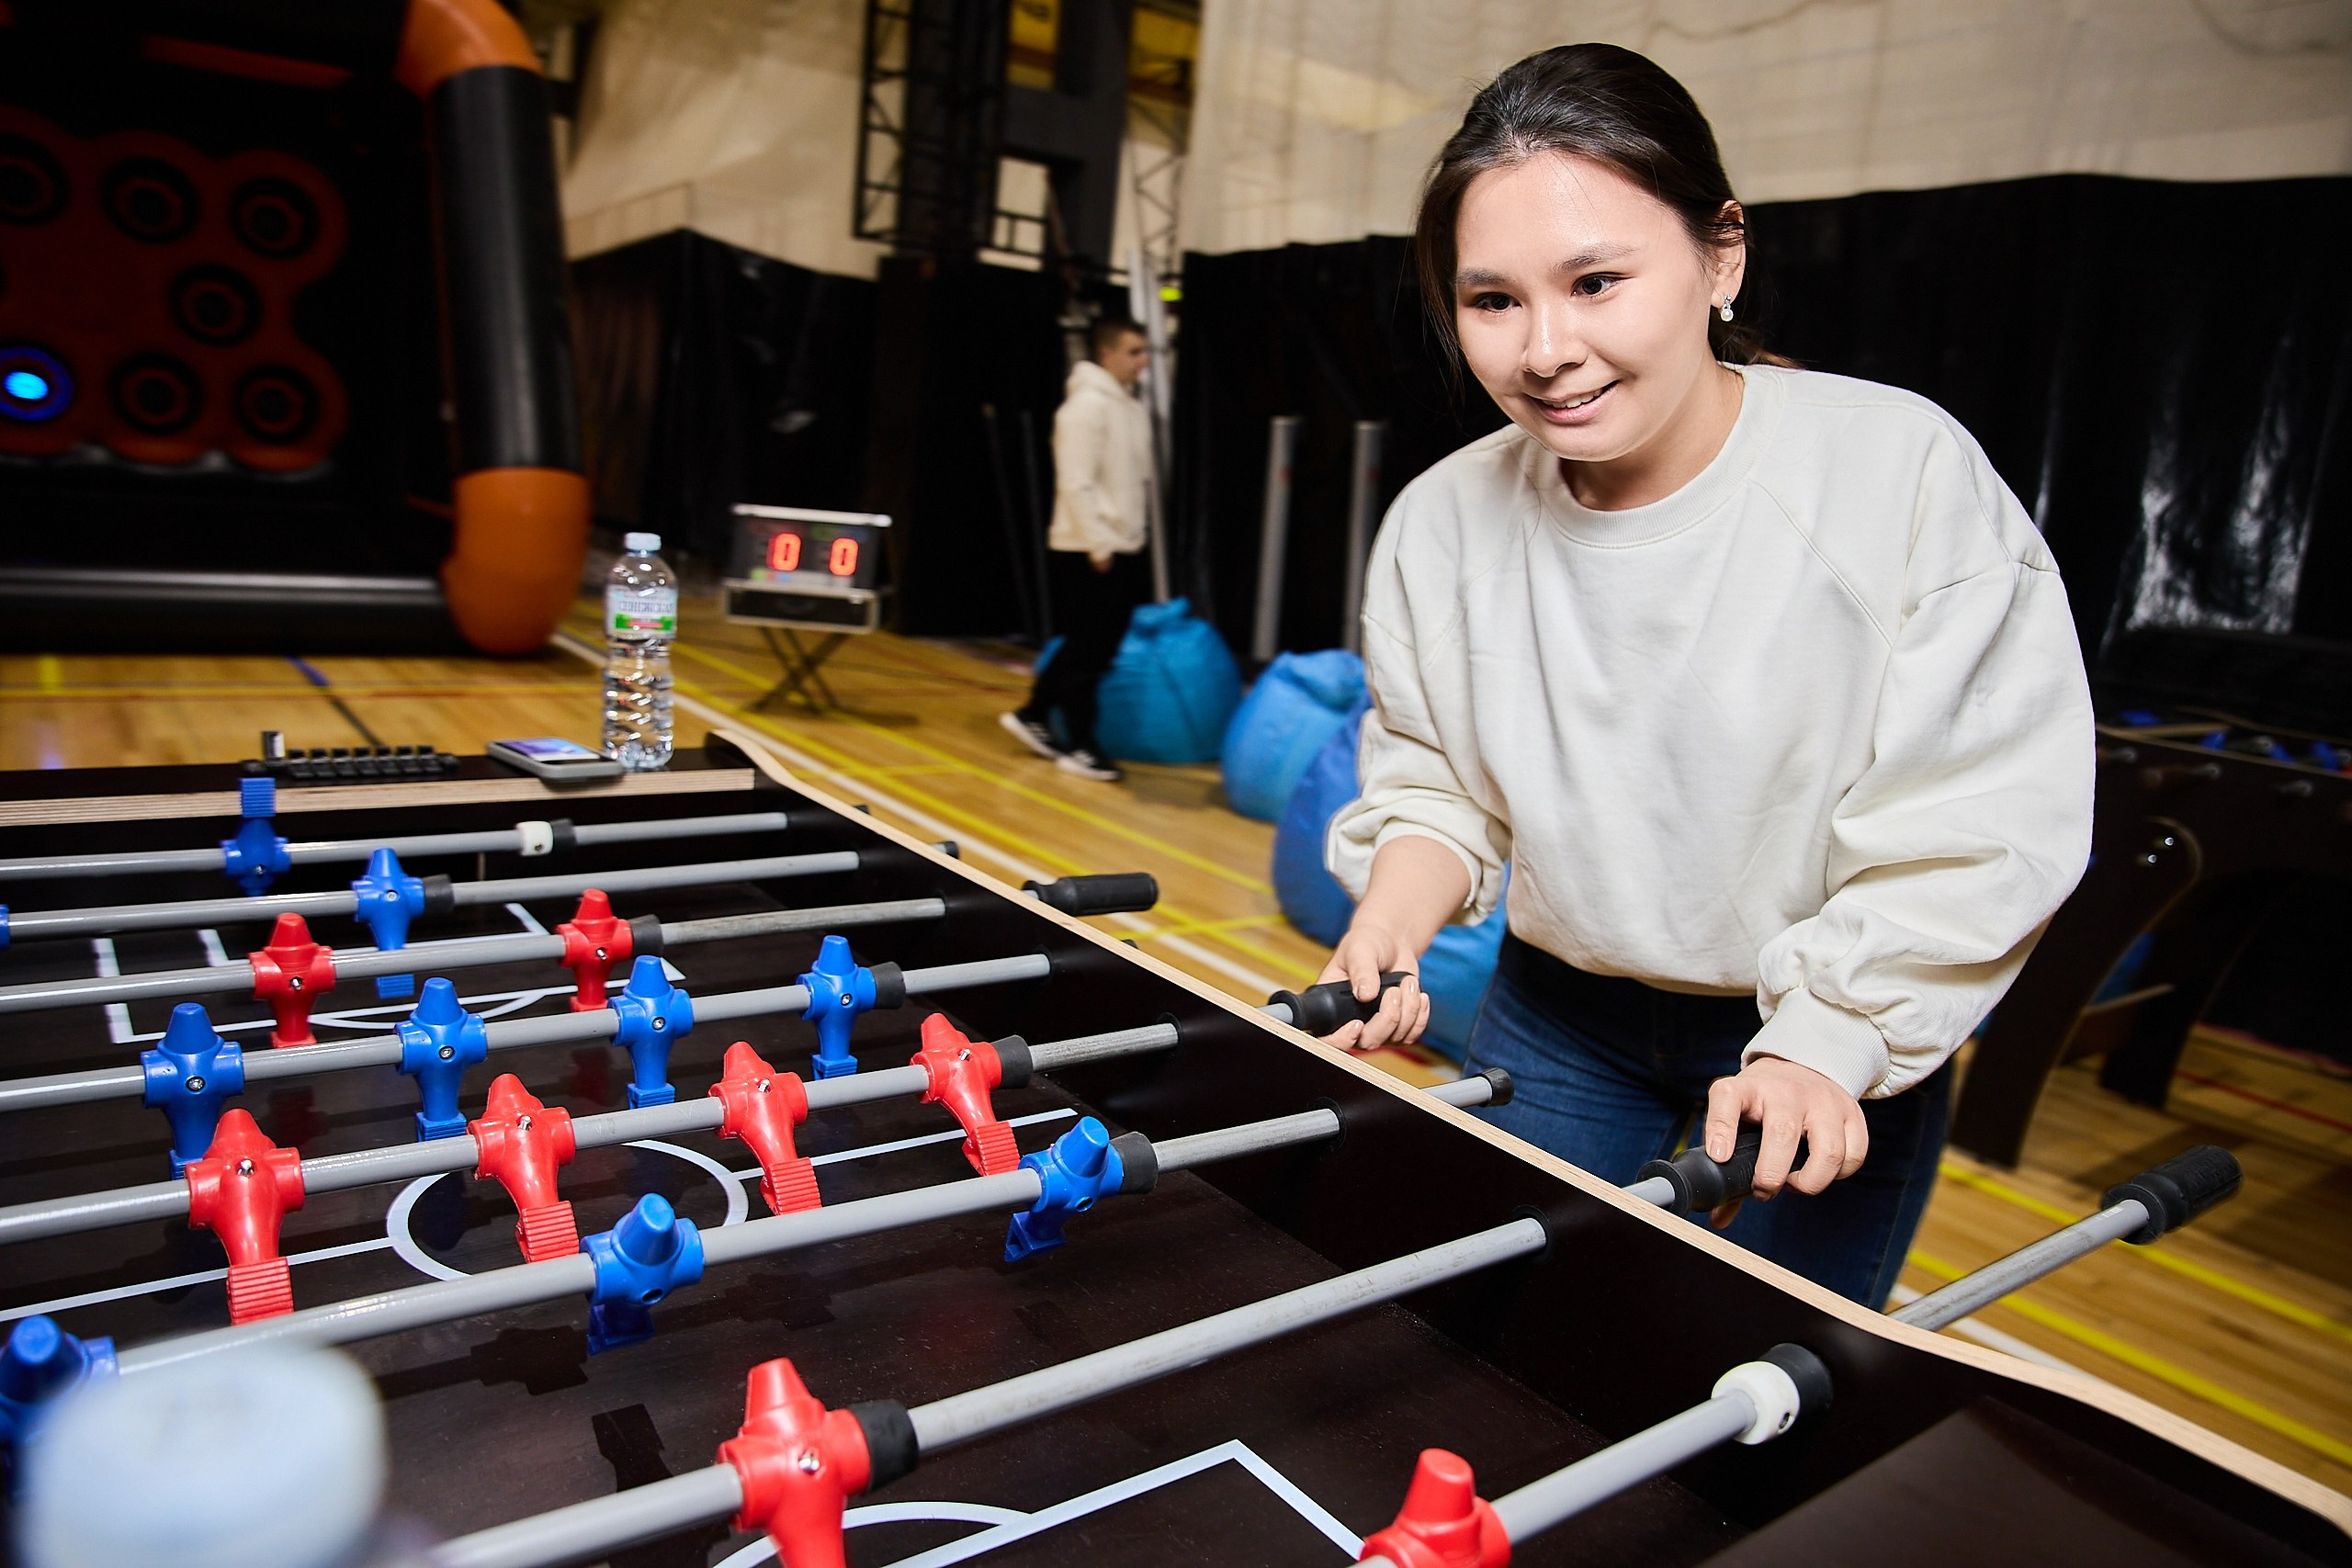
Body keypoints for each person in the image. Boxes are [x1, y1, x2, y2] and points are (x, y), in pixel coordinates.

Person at [1316, 43, 2093, 1307]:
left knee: (1746, 1415)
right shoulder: (1441, 519)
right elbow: (1437, 787)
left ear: (1721, 254)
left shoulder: (1900, 476)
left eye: (1598, 280)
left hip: (1814, 1036)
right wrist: (1388, 926)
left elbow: (1976, 828)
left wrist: (1825, 1041)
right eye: (1492, 300)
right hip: (1555, 1018)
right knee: (1510, 1346)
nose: (1547, 348)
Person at [1001, 317, 1157, 784]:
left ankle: (1034, 713)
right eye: (1133, 351)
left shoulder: (1128, 407)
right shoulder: (1085, 407)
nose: (1142, 360)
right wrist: (1097, 544)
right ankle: (1082, 744)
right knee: (1088, 648)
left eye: (1145, 351)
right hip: (1089, 549)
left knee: (1094, 644)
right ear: (1106, 354)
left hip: (1121, 544)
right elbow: (1075, 481)